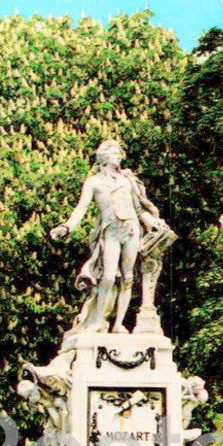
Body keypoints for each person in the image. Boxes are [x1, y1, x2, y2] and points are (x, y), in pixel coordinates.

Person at [50, 139, 167, 334]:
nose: (119, 156)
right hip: (111, 231)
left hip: (131, 229)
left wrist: (152, 222)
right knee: (109, 277)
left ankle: (118, 324)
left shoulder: (128, 180)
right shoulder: (94, 182)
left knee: (128, 278)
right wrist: (67, 227)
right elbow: (82, 207)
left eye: (119, 153)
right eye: (114, 153)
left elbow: (139, 210)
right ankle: (98, 321)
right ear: (104, 157)